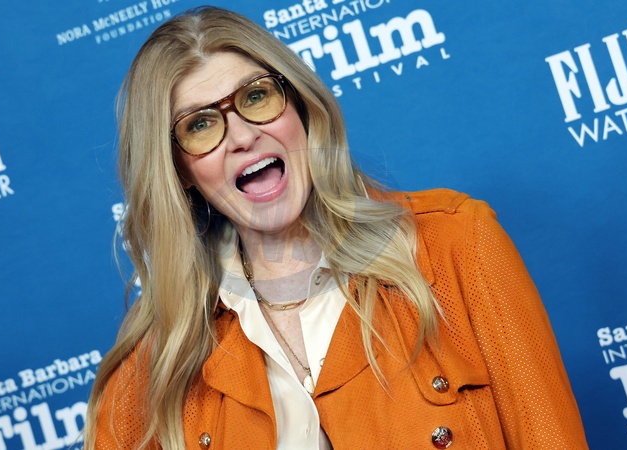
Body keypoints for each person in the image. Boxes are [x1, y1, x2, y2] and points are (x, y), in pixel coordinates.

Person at [83, 6, 588, 450]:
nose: (242, 136)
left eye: (256, 97)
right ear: (178, 171)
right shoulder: (151, 366)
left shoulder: (458, 245)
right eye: (200, 125)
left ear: (300, 107)